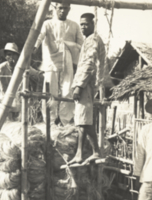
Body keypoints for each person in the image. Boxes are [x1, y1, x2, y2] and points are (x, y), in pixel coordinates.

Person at [33, 2, 84, 126]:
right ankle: (49, 121)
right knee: (50, 92)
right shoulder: (47, 24)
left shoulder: (74, 25)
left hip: (68, 61)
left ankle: (64, 121)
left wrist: (69, 45)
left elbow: (81, 45)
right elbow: (39, 36)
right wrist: (34, 47)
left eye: (65, 8)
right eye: (60, 8)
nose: (62, 11)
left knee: (67, 91)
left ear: (69, 9)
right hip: (51, 61)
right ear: (55, 8)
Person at [68, 13, 106, 165]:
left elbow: (89, 64)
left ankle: (87, 153)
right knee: (84, 120)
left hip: (86, 84)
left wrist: (79, 86)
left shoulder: (92, 40)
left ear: (93, 24)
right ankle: (88, 152)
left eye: (86, 24)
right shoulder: (88, 40)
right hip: (86, 83)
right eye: (81, 24)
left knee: (83, 120)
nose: (83, 27)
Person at [133, 100, 152, 200]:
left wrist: (137, 175)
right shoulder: (146, 130)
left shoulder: (146, 130)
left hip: (149, 179)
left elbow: (140, 155)